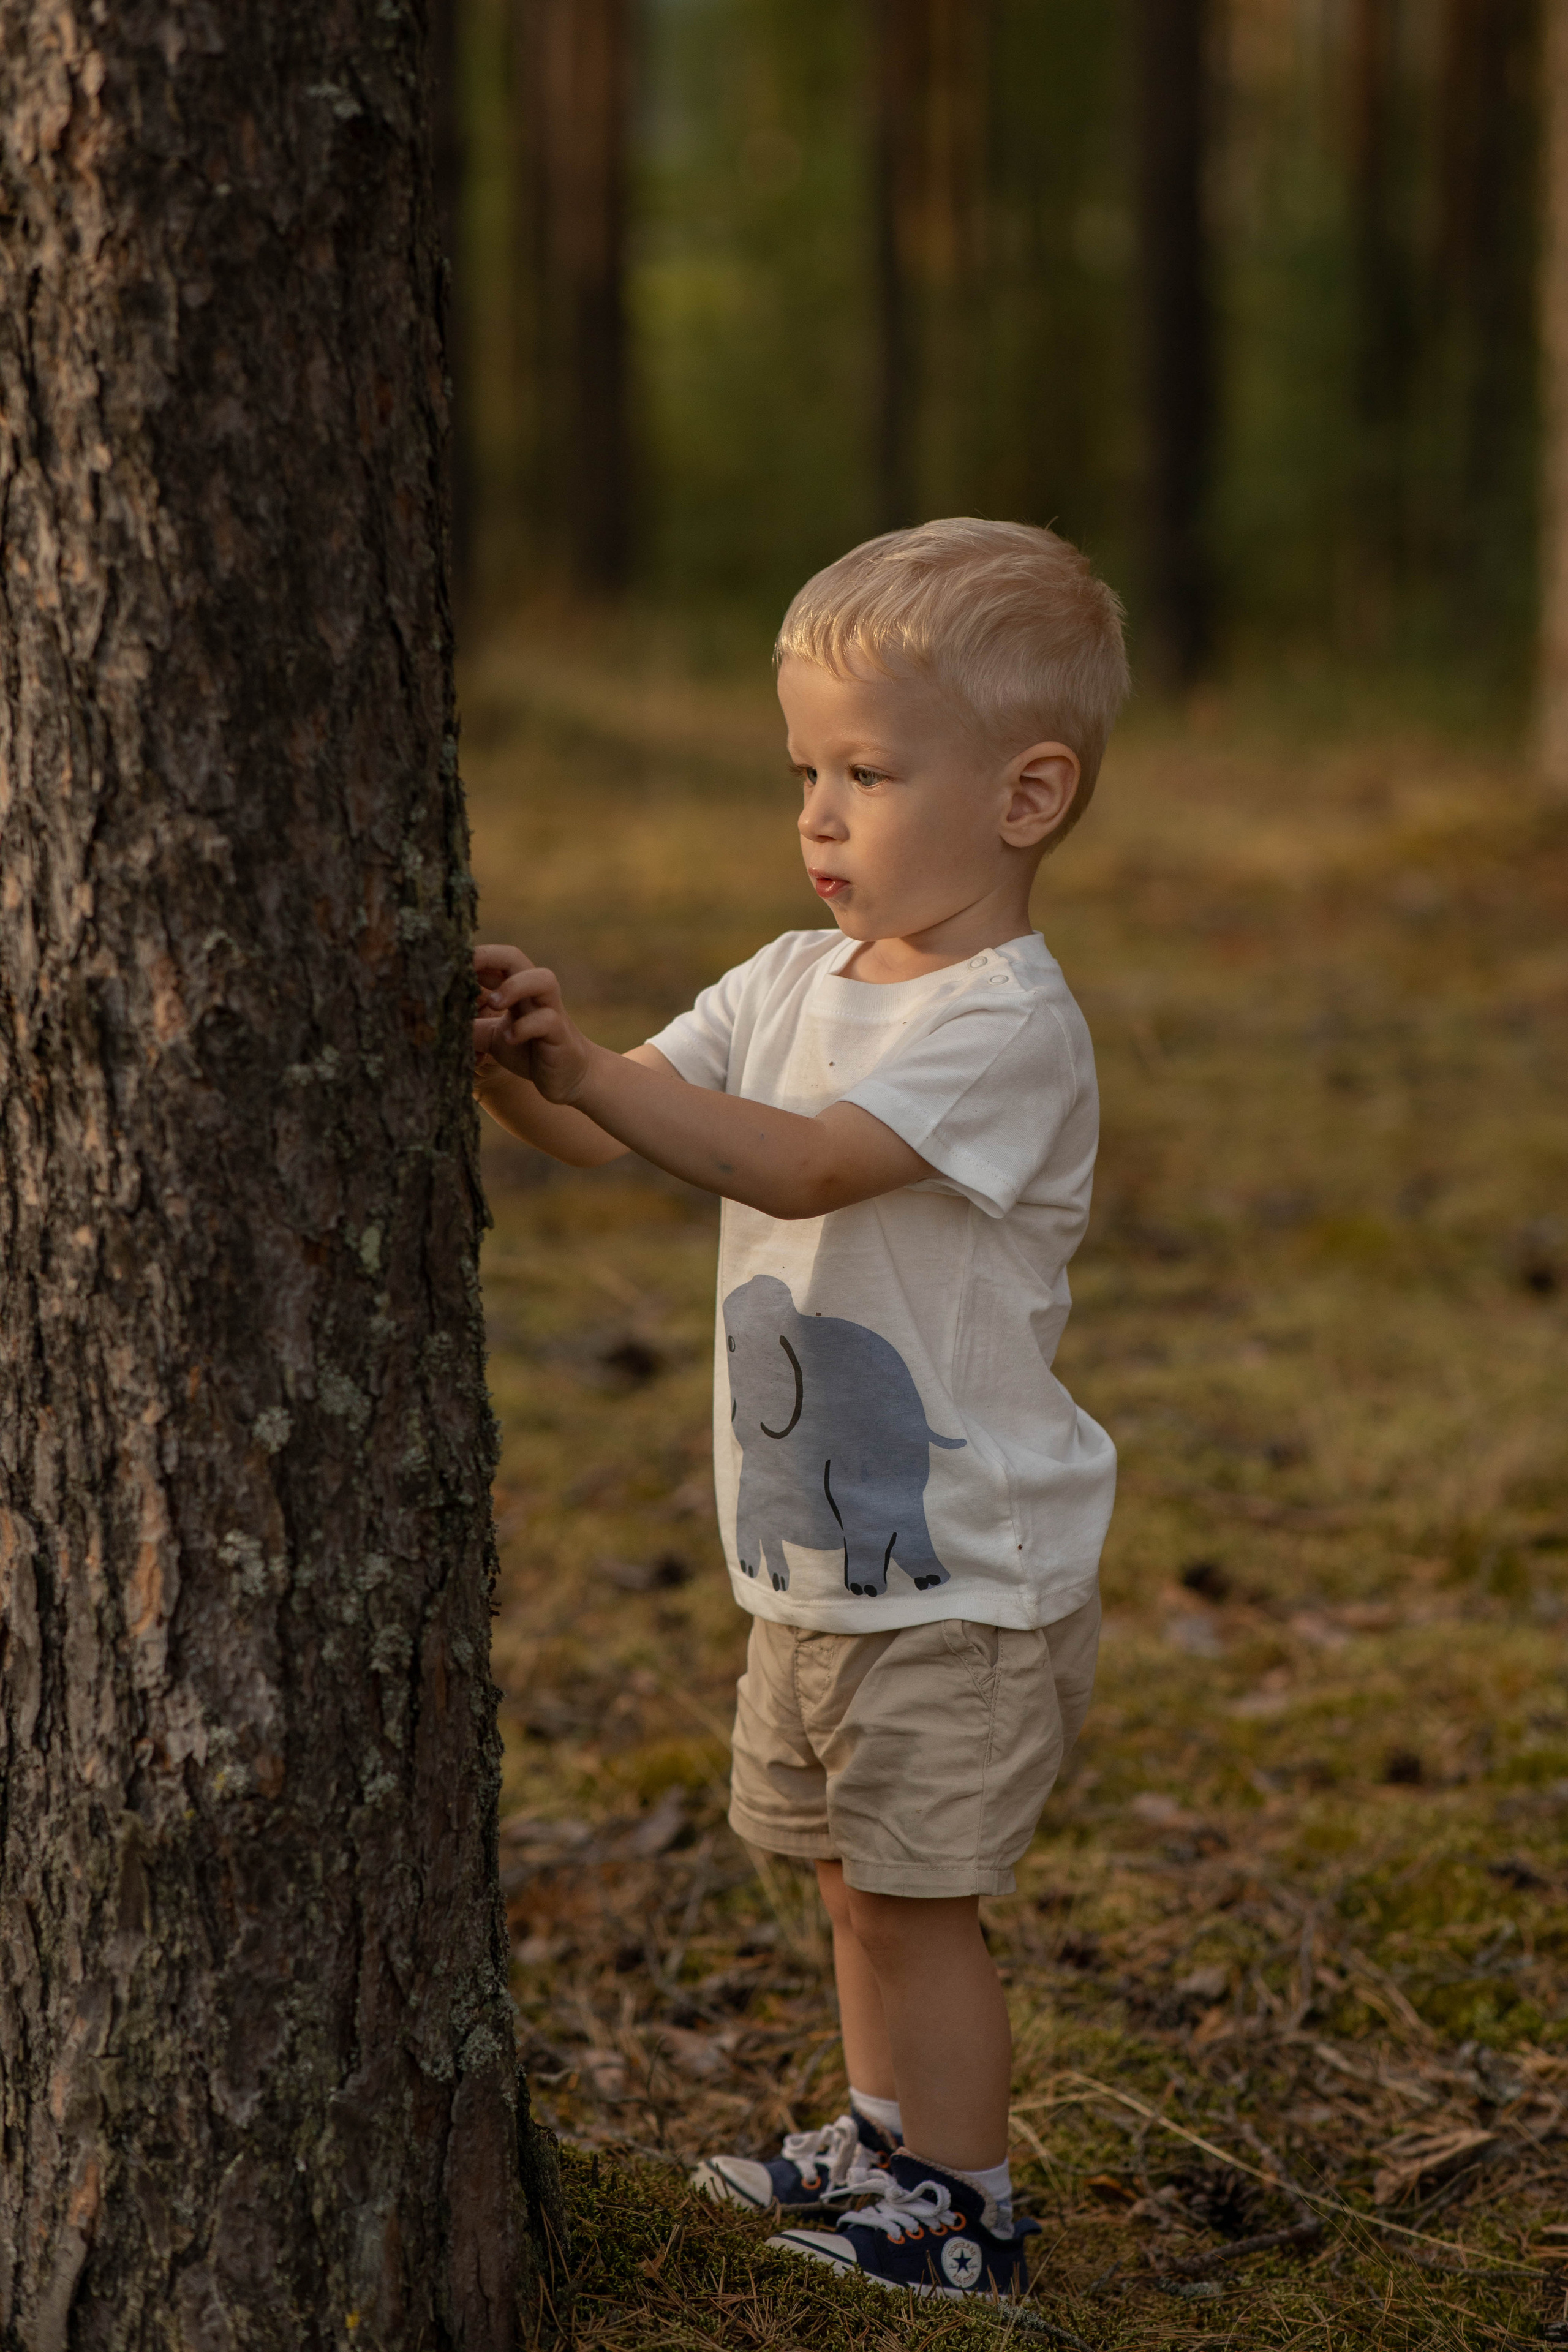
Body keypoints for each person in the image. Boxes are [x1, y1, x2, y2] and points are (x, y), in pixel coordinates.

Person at [472, 517, 1129, 2301]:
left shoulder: (1002, 1026)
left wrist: (598, 1071)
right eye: (804, 774)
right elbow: (615, 1128)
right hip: (815, 1561)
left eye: (867, 772)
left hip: (964, 1573)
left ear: (1026, 795)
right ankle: (883, 2142)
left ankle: (966, 2208)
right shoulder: (785, 981)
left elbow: (809, 1164)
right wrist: (532, 1063)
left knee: (920, 1903)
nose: (819, 816)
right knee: (847, 1882)